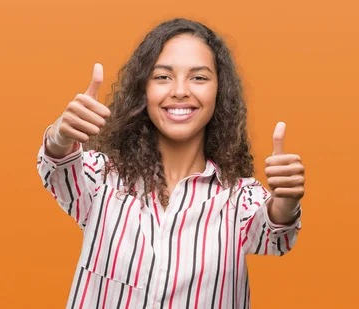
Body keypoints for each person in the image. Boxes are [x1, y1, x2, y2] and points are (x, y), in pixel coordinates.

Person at [36, 18, 304, 309]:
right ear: (144, 90)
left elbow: (275, 234)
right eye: (162, 77)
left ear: (219, 92)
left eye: (198, 78)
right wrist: (60, 133)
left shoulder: (240, 199)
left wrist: (287, 201)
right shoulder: (101, 178)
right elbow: (58, 165)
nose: (179, 91)